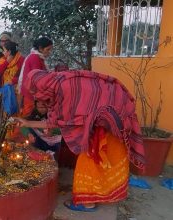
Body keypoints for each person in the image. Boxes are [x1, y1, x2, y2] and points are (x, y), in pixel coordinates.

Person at [15, 69, 145, 212]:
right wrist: (27, 124)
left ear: (41, 87)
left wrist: (28, 124)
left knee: (88, 162)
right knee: (103, 161)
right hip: (115, 110)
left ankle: (87, 202)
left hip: (110, 120)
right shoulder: (61, 80)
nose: (37, 96)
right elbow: (59, 118)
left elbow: (56, 122)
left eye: (35, 92)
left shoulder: (64, 90)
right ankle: (102, 193)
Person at [18, 36, 53, 117]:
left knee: (31, 114)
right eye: (48, 49)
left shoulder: (37, 57)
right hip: (31, 92)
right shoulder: (35, 58)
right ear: (40, 48)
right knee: (28, 115)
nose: (49, 52)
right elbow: (37, 78)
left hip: (30, 91)